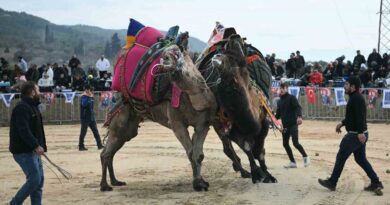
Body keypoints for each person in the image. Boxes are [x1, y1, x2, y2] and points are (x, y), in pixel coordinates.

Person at [318, 76, 383, 192]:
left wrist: (360, 132)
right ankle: (376, 182)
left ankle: (332, 182)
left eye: (347, 85)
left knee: (341, 156)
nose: (344, 86)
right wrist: (342, 123)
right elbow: (352, 117)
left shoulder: (356, 99)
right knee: (360, 159)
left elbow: (360, 117)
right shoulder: (354, 97)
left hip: (355, 135)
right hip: (359, 133)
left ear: (353, 87)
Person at [9, 81, 47, 205]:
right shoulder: (22, 108)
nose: (40, 92)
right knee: (35, 179)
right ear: (32, 92)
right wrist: (36, 145)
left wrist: (39, 146)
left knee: (39, 181)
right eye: (38, 90)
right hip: (23, 151)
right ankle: (14, 203)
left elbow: (36, 130)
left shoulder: (33, 106)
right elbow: (23, 130)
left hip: (33, 150)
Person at [276, 82, 310, 168]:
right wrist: (272, 117)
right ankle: (292, 162)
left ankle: (306, 157)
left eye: (283, 88)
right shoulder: (279, 101)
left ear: (287, 89)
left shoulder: (292, 98)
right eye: (280, 88)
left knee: (295, 143)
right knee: (285, 144)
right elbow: (278, 115)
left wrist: (299, 116)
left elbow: (298, 107)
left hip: (293, 124)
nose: (281, 90)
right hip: (285, 126)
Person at [78, 84, 104, 151]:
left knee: (96, 132)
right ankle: (81, 146)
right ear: (87, 90)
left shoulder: (91, 96)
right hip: (85, 118)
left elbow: (91, 107)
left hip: (91, 117)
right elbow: (84, 104)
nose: (91, 91)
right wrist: (89, 97)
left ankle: (99, 145)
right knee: (83, 132)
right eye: (90, 90)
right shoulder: (84, 96)